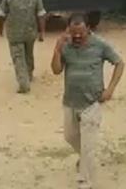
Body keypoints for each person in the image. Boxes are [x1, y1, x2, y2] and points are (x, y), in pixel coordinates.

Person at [51, 13, 124, 189]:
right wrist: (57, 50)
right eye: (73, 33)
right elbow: (56, 70)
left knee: (88, 145)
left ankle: (85, 182)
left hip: (92, 102)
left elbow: (119, 63)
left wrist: (110, 89)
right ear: (68, 29)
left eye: (81, 33)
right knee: (70, 137)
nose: (77, 36)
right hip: (70, 101)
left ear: (88, 29)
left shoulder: (100, 45)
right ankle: (84, 159)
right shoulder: (65, 45)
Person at [0, 0, 47, 94]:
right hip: (30, 31)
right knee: (29, 53)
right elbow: (41, 15)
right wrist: (42, 32)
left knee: (18, 57)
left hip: (14, 33)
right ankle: (29, 75)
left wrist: (0, 29)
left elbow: (1, 14)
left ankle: (23, 83)